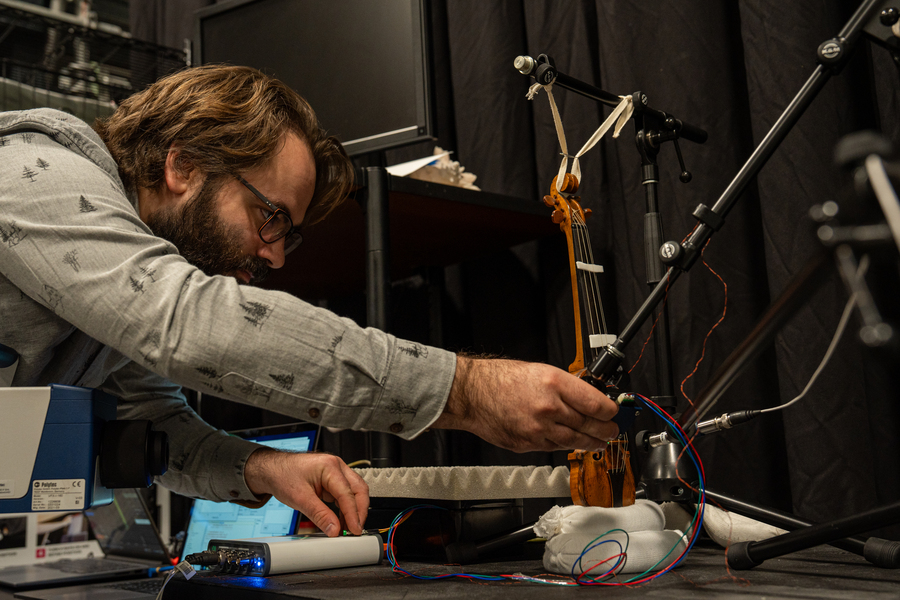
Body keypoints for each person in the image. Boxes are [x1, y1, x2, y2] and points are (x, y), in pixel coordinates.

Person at [0, 65, 619, 537]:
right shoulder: (32, 172)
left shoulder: (107, 282)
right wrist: (467, 390)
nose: (274, 256)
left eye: (288, 233)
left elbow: (151, 423)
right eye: (269, 217)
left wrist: (261, 468)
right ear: (183, 165)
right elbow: (191, 325)